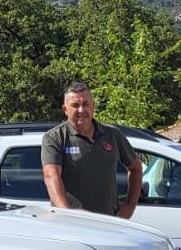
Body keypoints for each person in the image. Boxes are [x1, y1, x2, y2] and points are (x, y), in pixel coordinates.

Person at [40, 81, 142, 219]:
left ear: (93, 106)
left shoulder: (112, 134)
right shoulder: (55, 137)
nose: (81, 110)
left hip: (109, 221)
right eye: (75, 105)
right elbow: (51, 176)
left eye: (86, 104)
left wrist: (130, 206)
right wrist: (68, 214)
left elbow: (135, 167)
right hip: (73, 224)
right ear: (65, 109)